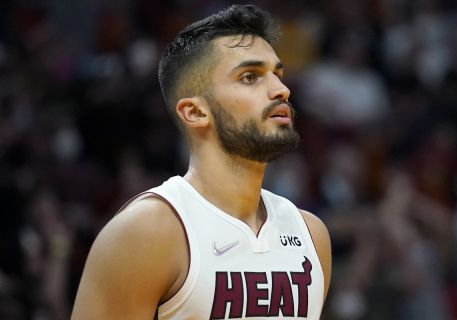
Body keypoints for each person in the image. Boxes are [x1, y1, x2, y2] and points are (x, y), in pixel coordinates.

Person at [71, 4, 331, 319]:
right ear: (195, 112)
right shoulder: (148, 230)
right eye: (250, 77)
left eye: (277, 74)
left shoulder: (311, 234)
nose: (281, 90)